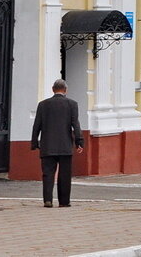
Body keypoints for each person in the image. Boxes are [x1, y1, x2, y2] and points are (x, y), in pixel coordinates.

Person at [31, 78, 84, 208]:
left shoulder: (43, 105)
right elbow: (75, 124)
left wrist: (34, 142)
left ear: (53, 89)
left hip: (47, 145)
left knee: (48, 173)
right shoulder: (72, 104)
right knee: (65, 174)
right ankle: (64, 201)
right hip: (65, 145)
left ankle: (47, 200)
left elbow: (36, 125)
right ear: (65, 90)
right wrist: (79, 141)